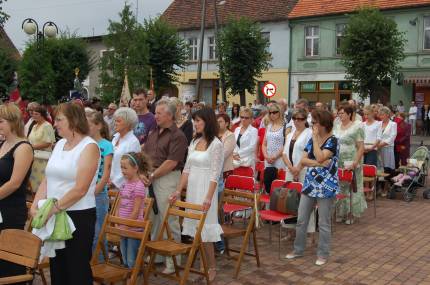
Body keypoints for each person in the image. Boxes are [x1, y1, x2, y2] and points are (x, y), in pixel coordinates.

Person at [30, 102, 100, 285]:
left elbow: (80, 189)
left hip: (78, 216)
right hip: (54, 213)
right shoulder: (60, 144)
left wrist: (51, 210)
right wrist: (35, 206)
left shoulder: (89, 147)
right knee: (58, 267)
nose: (55, 124)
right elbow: (47, 178)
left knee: (76, 270)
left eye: (59, 119)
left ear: (74, 120)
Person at [169, 107, 223, 282]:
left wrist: (208, 197)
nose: (196, 123)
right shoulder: (193, 142)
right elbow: (186, 169)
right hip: (193, 187)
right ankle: (202, 263)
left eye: (199, 120)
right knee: (195, 229)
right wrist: (178, 190)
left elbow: (215, 174)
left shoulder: (216, 144)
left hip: (206, 188)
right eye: (194, 120)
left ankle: (212, 266)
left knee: (206, 229)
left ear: (207, 121)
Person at [286, 109, 339, 266]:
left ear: (323, 123)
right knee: (301, 219)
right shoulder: (312, 139)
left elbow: (322, 155)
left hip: (326, 186)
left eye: (314, 122)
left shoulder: (333, 140)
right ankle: (298, 249)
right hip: (310, 184)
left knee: (323, 222)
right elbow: (303, 160)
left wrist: (316, 142)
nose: (312, 125)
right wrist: (318, 163)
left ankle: (323, 253)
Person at [143, 98, 188, 274]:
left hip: (167, 178)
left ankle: (174, 260)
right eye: (155, 113)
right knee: (154, 219)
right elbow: (145, 154)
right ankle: (159, 254)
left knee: (169, 219)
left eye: (159, 113)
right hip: (151, 177)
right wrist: (145, 173)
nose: (155, 116)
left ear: (169, 115)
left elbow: (171, 162)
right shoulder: (153, 131)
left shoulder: (178, 136)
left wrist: (153, 175)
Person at [0, 104, 34, 279]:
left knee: (9, 262)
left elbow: (14, 183)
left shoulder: (23, 147)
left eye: (1, 121)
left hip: (11, 211)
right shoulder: (3, 143)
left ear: (13, 122)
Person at [87, 111, 113, 260]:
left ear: (98, 126)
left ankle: (100, 264)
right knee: (87, 233)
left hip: (98, 194)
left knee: (98, 233)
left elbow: (106, 173)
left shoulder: (106, 145)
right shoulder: (85, 143)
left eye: (89, 125)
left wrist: (94, 192)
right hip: (85, 192)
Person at [334, 103, 366, 224]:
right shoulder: (336, 126)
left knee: (352, 187)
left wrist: (355, 162)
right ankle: (340, 212)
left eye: (342, 113)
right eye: (339, 113)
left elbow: (361, 147)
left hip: (351, 160)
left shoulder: (357, 126)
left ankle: (351, 213)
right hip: (339, 161)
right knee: (340, 186)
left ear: (349, 114)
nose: (340, 115)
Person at [118, 152, 151, 268]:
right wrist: (119, 222)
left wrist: (126, 225)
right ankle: (128, 278)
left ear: (136, 168)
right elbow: (121, 205)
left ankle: (132, 278)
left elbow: (136, 211)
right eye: (121, 167)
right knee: (124, 257)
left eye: (125, 168)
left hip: (133, 228)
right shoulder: (124, 185)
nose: (122, 170)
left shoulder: (139, 186)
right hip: (123, 227)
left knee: (132, 259)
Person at [110, 107, 141, 190]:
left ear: (128, 124)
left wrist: (114, 183)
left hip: (124, 187)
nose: (115, 123)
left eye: (118, 121)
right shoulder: (115, 138)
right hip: (109, 184)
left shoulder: (133, 142)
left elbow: (131, 167)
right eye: (115, 121)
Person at [28, 105, 56, 192]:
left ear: (42, 115)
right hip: (34, 158)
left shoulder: (47, 126)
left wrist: (31, 147)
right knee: (33, 182)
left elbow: (48, 143)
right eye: (33, 114)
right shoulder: (34, 126)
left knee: (41, 182)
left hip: (43, 159)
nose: (34, 116)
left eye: (37, 114)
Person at [283, 108, 312, 182]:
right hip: (290, 170)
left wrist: (297, 169)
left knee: (302, 193)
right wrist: (291, 168)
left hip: (304, 170)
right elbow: (284, 154)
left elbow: (308, 153)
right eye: (294, 118)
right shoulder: (290, 135)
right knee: (289, 193)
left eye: (299, 119)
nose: (296, 121)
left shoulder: (310, 133)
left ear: (305, 120)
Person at [262, 103, 285, 192]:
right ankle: (268, 205)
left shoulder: (285, 126)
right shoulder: (268, 126)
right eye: (270, 112)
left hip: (279, 159)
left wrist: (275, 156)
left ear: (279, 113)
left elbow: (285, 144)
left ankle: (278, 205)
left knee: (278, 185)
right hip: (268, 158)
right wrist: (266, 156)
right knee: (268, 183)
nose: (272, 114)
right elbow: (264, 143)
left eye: (275, 112)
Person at [376, 106, 397, 185]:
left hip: (387, 149)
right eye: (380, 115)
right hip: (378, 148)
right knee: (379, 167)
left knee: (387, 168)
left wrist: (381, 144)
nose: (381, 116)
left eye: (383, 115)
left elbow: (392, 137)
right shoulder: (378, 124)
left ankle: (386, 187)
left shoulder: (393, 124)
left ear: (387, 114)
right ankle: (379, 186)